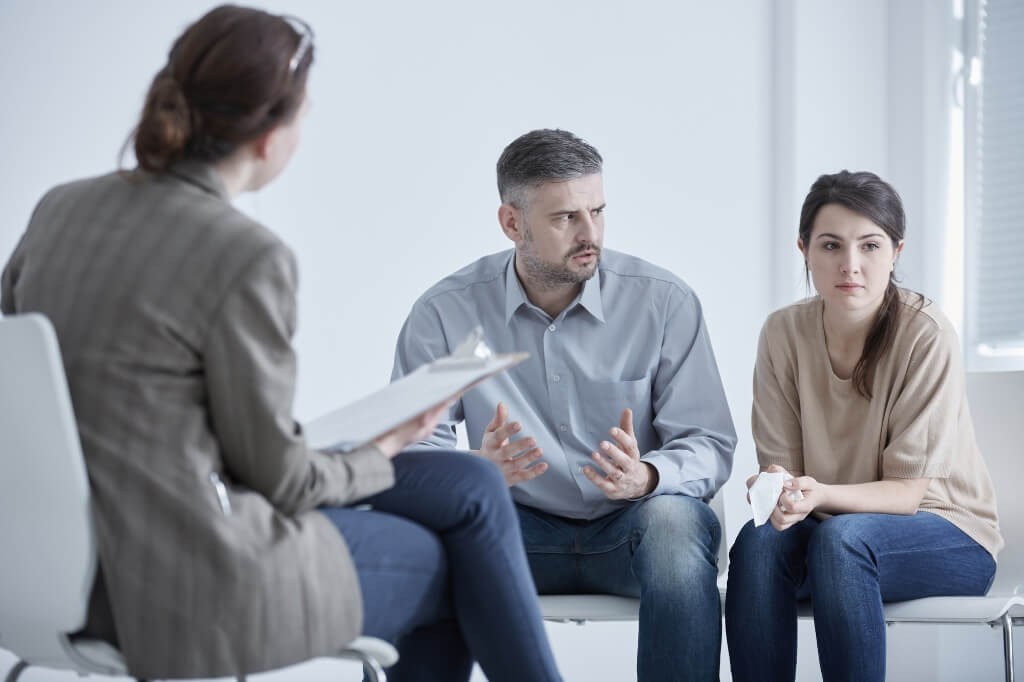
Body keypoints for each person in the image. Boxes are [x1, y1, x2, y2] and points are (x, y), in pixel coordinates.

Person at [0, 7, 561, 681]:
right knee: (448, 556)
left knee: (469, 481)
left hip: (44, 571)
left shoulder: (60, 208)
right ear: (270, 135)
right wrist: (379, 449)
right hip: (184, 579)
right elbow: (284, 480)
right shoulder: (243, 255)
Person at [392, 128, 737, 681]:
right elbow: (409, 454)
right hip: (509, 535)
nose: (589, 234)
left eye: (597, 212)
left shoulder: (663, 301)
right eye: (565, 218)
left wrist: (647, 476)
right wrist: (473, 473)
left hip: (634, 530)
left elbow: (709, 442)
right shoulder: (446, 313)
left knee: (676, 525)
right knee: (417, 546)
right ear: (512, 223)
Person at [724, 170, 1003, 682]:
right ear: (804, 249)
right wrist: (777, 491)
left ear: (896, 252)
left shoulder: (926, 333)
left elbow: (906, 495)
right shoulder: (783, 332)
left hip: (948, 535)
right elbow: (785, 471)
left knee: (842, 542)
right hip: (833, 531)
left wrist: (816, 495)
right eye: (830, 245)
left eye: (870, 246)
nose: (849, 265)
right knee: (758, 541)